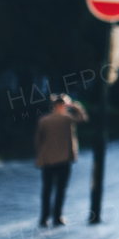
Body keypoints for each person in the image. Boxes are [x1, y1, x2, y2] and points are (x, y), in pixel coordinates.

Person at [34, 93, 89, 227]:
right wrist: (75, 105)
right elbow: (83, 118)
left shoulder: (44, 119)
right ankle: (57, 216)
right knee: (60, 189)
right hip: (64, 159)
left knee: (47, 189)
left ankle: (44, 217)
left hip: (47, 160)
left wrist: (40, 156)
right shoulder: (67, 118)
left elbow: (37, 141)